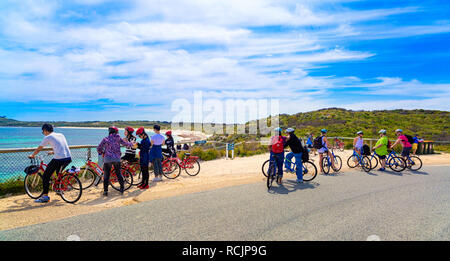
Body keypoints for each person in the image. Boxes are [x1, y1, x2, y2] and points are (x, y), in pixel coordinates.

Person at [28, 124, 72, 203]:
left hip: (59, 159)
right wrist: (53, 151)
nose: (43, 133)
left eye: (43, 132)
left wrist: (33, 155)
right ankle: (59, 189)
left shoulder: (47, 137)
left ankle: (45, 196)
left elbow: (39, 148)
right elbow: (61, 146)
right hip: (68, 158)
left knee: (46, 175)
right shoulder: (60, 135)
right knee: (58, 173)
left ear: (45, 130)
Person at [97, 126, 134, 196]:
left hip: (107, 159)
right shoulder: (118, 138)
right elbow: (126, 144)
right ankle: (122, 189)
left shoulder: (105, 139)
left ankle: (105, 191)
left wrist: (101, 152)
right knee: (119, 174)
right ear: (116, 132)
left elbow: (99, 147)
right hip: (117, 159)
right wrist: (131, 143)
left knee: (106, 175)